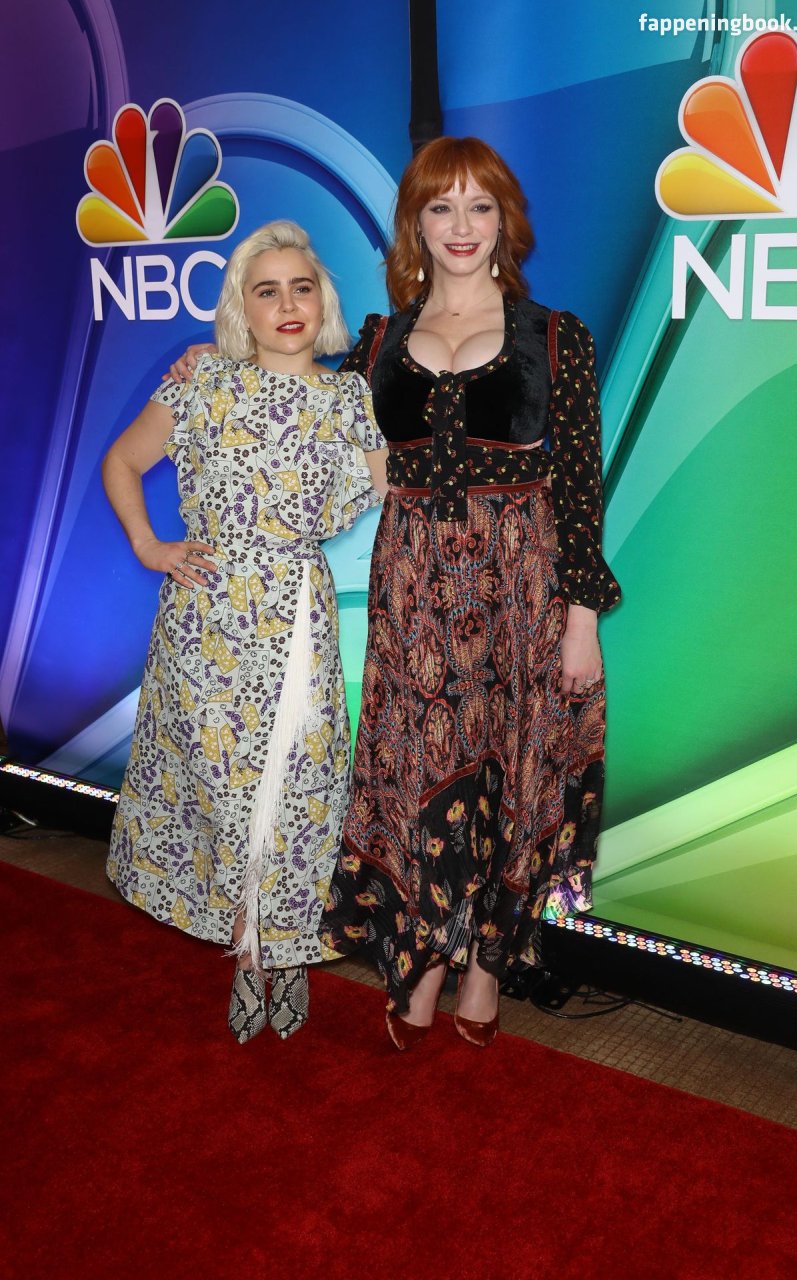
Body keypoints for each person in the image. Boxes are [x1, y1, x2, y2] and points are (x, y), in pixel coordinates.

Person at [170, 137, 621, 1051]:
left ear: (505, 221)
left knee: (514, 773)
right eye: (439, 207)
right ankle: (420, 962)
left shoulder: (554, 336)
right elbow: (290, 396)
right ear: (415, 223)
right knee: (415, 775)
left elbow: (580, 485)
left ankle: (486, 967)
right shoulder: (376, 342)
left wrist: (581, 622)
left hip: (522, 590)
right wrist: (210, 366)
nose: (461, 226)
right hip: (412, 592)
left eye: (479, 206)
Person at [103, 220, 387, 1044]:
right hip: (207, 626)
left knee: (296, 794)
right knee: (226, 795)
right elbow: (122, 462)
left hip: (296, 621)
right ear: (242, 307)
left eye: (302, 287)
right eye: (267, 290)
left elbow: (393, 486)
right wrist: (149, 545)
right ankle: (246, 947)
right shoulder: (200, 382)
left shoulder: (349, 399)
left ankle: (283, 952)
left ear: (322, 301)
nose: (287, 304)